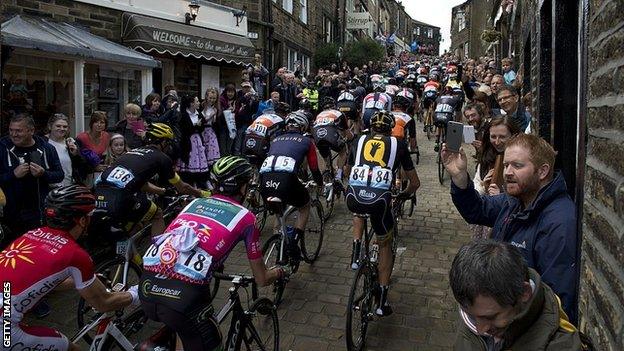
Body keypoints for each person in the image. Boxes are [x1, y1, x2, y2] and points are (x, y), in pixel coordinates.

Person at [139, 156, 287, 350]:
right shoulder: (246, 217)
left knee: (184, 329)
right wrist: (280, 272)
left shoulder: (193, 204)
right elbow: (261, 278)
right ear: (242, 187)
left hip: (147, 288)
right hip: (182, 298)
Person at [442, 133, 579, 324]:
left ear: (542, 171)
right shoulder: (516, 199)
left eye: (517, 165)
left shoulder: (559, 222)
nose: (507, 172)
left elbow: (554, 302)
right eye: (506, 165)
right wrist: (459, 177)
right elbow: (478, 210)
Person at [0, 185, 139, 351]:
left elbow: (46, 280)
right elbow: (104, 303)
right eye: (90, 216)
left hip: (5, 310)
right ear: (82, 220)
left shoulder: (31, 234)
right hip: (5, 329)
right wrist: (138, 293)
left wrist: (79, 282)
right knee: (70, 348)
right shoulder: (76, 254)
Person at [345, 110, 420, 316]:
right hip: (380, 202)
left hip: (353, 198)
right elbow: (414, 183)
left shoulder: (358, 141)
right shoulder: (398, 144)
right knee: (385, 244)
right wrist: (404, 195)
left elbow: (346, 171)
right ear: (390, 129)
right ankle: (381, 302)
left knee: (360, 209)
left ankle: (356, 251)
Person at [449, 240, 584, 350]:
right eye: (471, 316)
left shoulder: (561, 346)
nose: (480, 329)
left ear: (524, 293)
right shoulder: (479, 307)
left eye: (491, 317)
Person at [94, 123, 209, 237]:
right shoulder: (162, 158)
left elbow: (141, 183)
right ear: (163, 142)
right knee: (157, 214)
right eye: (168, 143)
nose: (169, 147)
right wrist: (200, 193)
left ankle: (124, 250)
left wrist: (163, 191)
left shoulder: (133, 152)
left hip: (100, 193)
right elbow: (182, 187)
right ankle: (156, 251)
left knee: (130, 226)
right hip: (121, 196)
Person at [259, 111, 324, 262]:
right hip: (286, 179)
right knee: (304, 206)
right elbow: (314, 168)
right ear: (303, 127)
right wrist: (320, 184)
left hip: (265, 180)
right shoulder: (307, 141)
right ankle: (293, 243)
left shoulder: (276, 139)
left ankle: (279, 241)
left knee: (279, 212)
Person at [0, 114, 64, 241]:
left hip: (38, 213)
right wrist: (13, 175)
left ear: (31, 131)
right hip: (10, 214)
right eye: (11, 130)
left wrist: (43, 174)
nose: (13, 134)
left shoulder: (47, 148)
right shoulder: (2, 147)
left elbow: (59, 175)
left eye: (18, 131)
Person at [311, 97, 353, 182]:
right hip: (331, 136)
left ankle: (328, 168)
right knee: (343, 151)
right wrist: (351, 137)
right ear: (334, 105)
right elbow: (348, 134)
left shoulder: (319, 115)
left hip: (318, 137)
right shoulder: (339, 113)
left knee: (325, 152)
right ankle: (339, 174)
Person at [177, 94, 213, 188]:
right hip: (188, 141)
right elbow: (185, 130)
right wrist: (196, 126)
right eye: (196, 101)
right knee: (189, 160)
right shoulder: (184, 115)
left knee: (200, 160)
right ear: (191, 103)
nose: (199, 103)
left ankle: (202, 181)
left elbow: (202, 126)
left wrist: (198, 126)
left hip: (198, 140)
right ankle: (190, 183)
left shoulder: (198, 113)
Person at [45, 114, 87, 187]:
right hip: (49, 188)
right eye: (58, 126)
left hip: (68, 188)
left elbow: (82, 168)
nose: (62, 129)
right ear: (50, 126)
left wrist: (76, 155)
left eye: (65, 127)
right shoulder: (43, 143)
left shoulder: (71, 143)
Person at [233, 82, 260, 155]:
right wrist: (245, 97)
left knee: (246, 138)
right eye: (245, 87)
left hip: (248, 121)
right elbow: (238, 103)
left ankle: (244, 153)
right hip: (240, 121)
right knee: (239, 138)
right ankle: (237, 153)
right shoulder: (239, 94)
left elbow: (254, 110)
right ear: (242, 87)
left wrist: (256, 101)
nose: (246, 89)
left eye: (248, 87)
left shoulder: (252, 97)